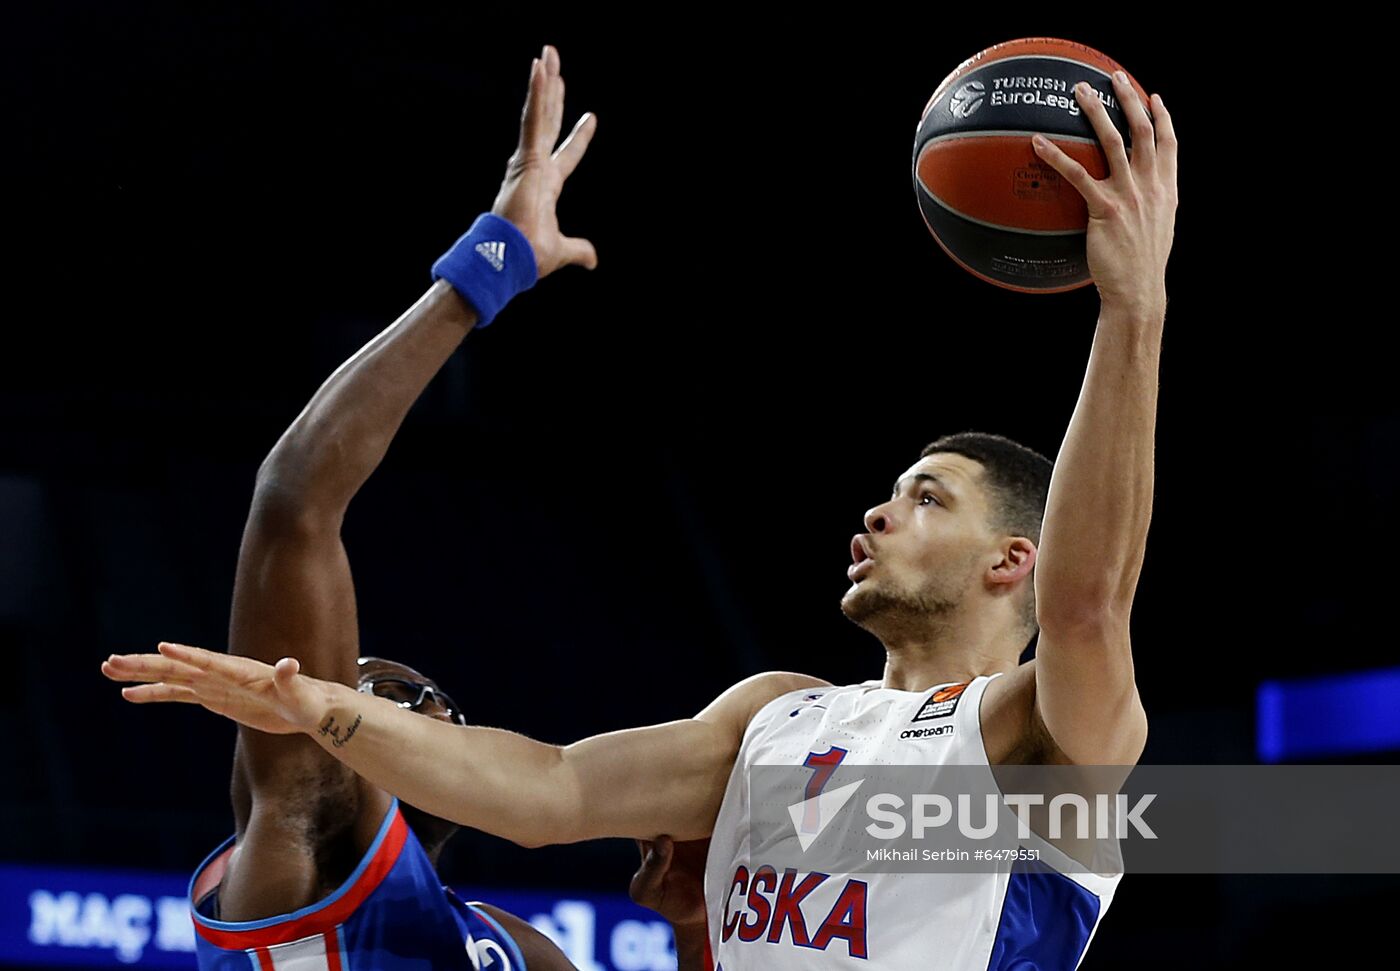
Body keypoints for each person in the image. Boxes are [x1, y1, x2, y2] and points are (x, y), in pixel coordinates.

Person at [105, 65, 1178, 969]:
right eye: (893, 486)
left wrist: (1130, 306)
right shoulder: (775, 715)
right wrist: (325, 712)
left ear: (1010, 561)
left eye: (924, 494)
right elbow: (550, 786)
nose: (878, 507)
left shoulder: (1044, 738)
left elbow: (1086, 607)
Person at [100, 43, 708, 971]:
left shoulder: (512, 944)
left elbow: (298, 500)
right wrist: (485, 269)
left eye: (382, 689)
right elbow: (294, 498)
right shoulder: (307, 825)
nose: (340, 684)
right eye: (351, 681)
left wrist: (698, 930)